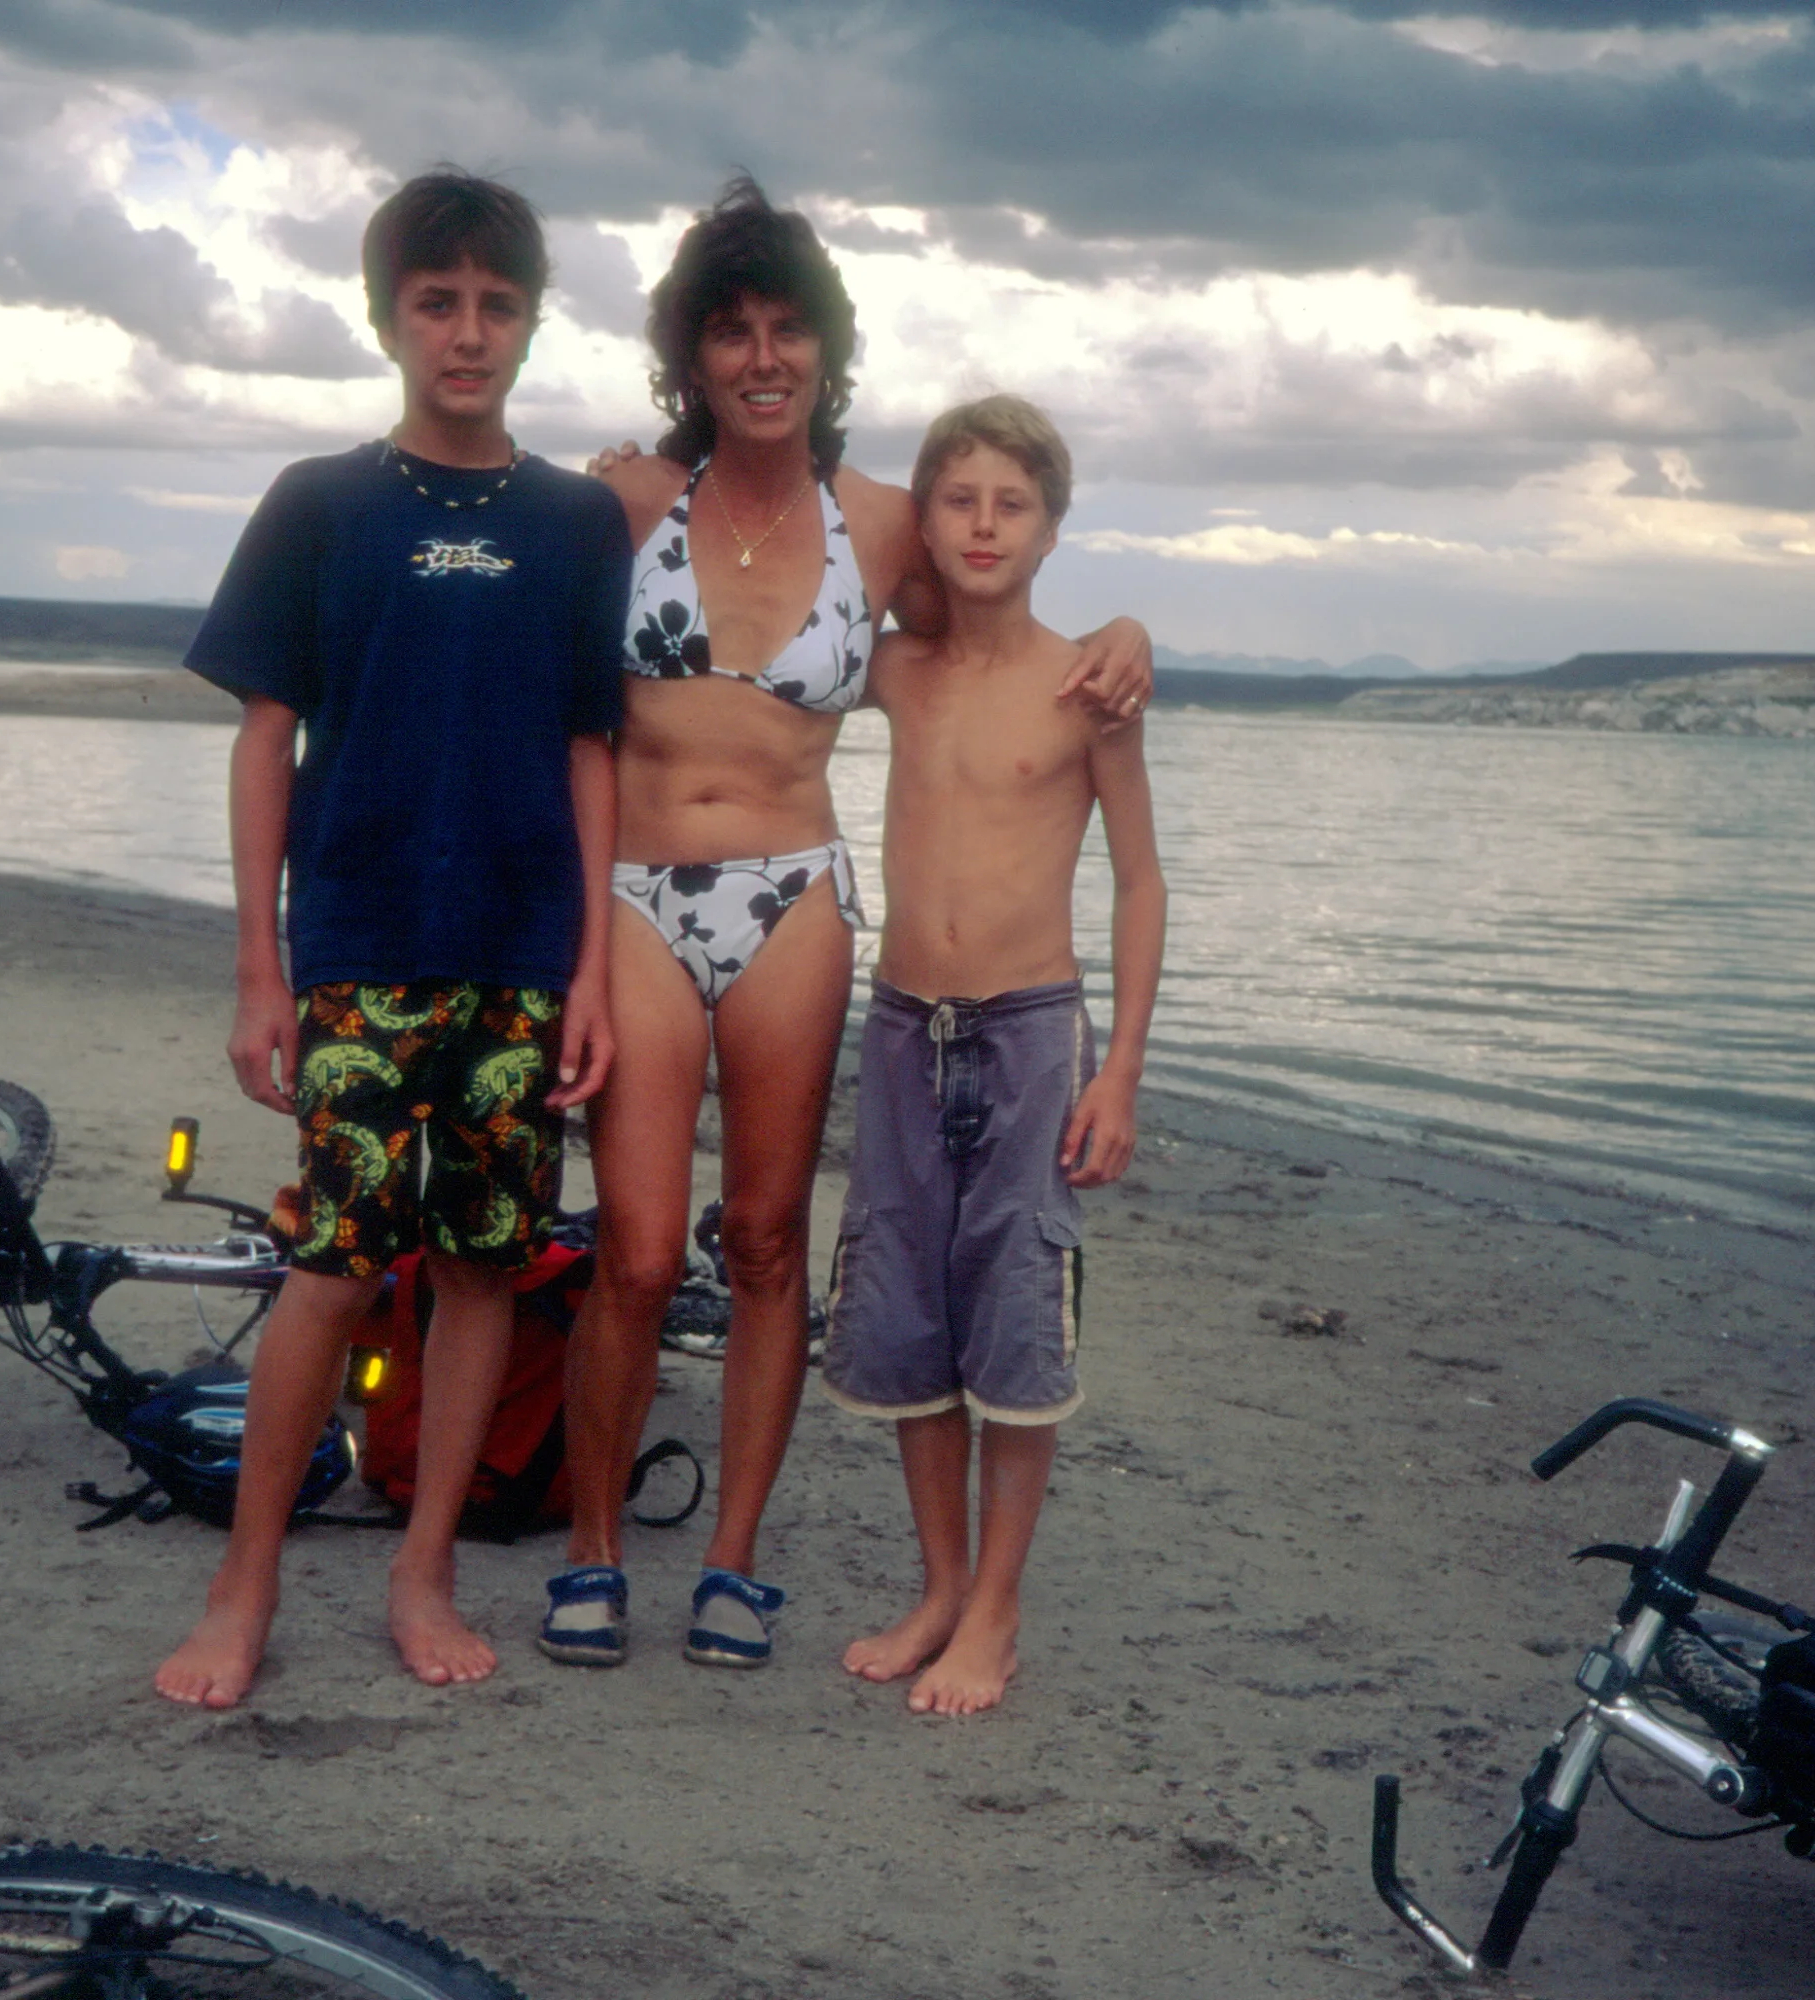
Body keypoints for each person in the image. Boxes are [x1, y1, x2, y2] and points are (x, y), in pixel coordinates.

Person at [547, 179, 1153, 1671]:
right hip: (634, 891)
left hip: (797, 899)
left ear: (828, 353)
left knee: (764, 1237)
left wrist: (1130, 636)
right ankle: (592, 1544)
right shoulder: (627, 504)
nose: (763, 358)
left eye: (788, 332)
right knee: (632, 1250)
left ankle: (736, 1561)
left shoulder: (879, 520)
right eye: (731, 332)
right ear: (691, 356)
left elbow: (993, 645)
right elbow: (540, 682)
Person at [153, 169, 631, 1710]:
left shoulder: (569, 523)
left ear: (532, 324)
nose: (468, 332)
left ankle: (423, 1565)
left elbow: (590, 751)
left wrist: (593, 974)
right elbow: (264, 737)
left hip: (517, 955)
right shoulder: (320, 503)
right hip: (356, 945)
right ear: (387, 320)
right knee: (335, 1262)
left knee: (487, 1265)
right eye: (438, 301)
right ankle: (247, 1581)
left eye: (497, 304)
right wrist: (258, 968)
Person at [819, 393, 1164, 1716]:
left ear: (1052, 527)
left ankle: (999, 1615)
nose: (981, 524)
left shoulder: (1092, 682)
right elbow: (808, 599)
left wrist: (1119, 1067)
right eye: (957, 500)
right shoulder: (896, 670)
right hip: (905, 1025)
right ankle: (941, 1588)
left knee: (1015, 1320)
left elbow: (1140, 882)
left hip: (1030, 1035)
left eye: (1010, 503)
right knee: (907, 1311)